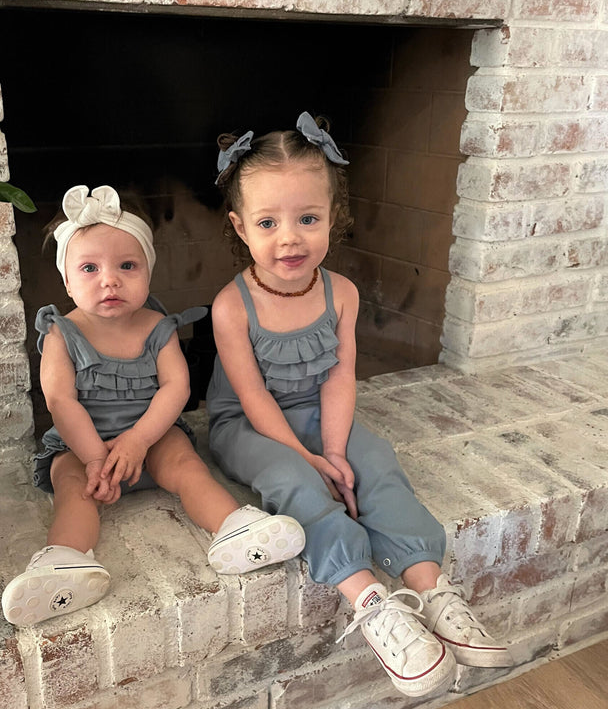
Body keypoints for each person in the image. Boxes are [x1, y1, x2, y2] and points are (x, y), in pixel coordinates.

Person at [206, 113, 513, 698]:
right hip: (249, 422)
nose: (290, 237)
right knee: (296, 482)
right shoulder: (232, 305)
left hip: (321, 412)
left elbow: (341, 375)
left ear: (332, 219)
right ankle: (371, 603)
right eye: (268, 222)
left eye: (308, 219)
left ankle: (431, 586)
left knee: (376, 463)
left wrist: (338, 449)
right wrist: (311, 459)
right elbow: (250, 395)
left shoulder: (339, 292)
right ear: (240, 227)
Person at [1, 185, 305, 627]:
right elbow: (61, 401)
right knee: (72, 487)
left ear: (148, 273)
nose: (110, 280)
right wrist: (94, 459)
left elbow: (176, 388)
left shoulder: (157, 328)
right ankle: (65, 562)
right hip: (84, 447)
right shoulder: (61, 335)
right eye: (89, 268)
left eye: (128, 266)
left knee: (186, 465)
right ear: (66, 280)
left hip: (154, 434)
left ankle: (235, 528)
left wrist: (140, 440)